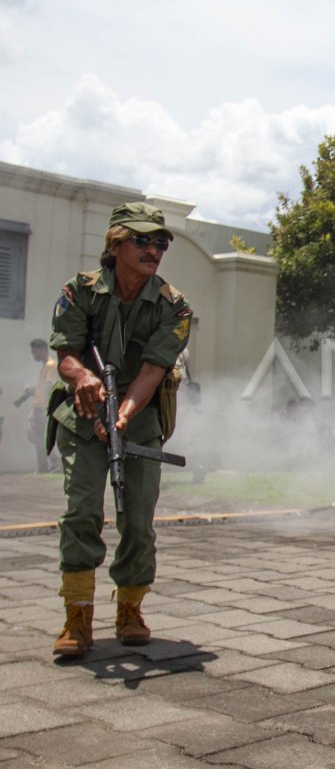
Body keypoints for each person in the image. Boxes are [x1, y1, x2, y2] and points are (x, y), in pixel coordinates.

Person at [47, 202, 192, 658]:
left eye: (161, 242)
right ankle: (78, 615)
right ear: (116, 243)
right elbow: (67, 354)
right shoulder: (79, 291)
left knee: (138, 521)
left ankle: (130, 608)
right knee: (82, 511)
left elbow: (153, 371)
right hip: (83, 414)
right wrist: (83, 378)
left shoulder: (176, 305)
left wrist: (124, 416)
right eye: (143, 240)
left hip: (140, 419)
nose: (155, 249)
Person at [22, 339, 62, 472]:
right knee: (36, 436)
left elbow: (51, 384)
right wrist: (34, 390)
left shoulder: (50, 365)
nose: (33, 355)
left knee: (34, 435)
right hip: (40, 405)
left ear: (43, 349)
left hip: (41, 407)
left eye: (35, 352)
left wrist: (35, 391)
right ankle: (44, 467)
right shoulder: (46, 366)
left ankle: (53, 462)